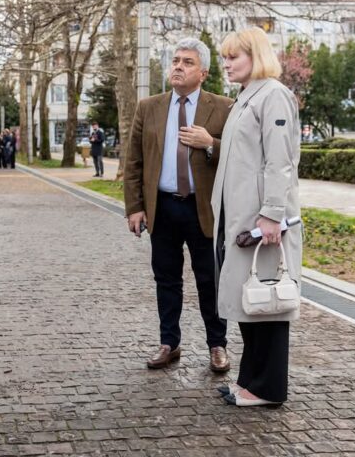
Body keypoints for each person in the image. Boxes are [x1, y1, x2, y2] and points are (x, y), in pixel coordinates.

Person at [123, 38, 233, 373]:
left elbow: (241, 155)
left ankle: (217, 345)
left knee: (210, 280)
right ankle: (169, 343)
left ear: (204, 73)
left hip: (203, 209)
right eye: (175, 60)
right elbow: (134, 161)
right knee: (166, 279)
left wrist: (210, 143)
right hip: (163, 208)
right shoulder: (149, 107)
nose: (178, 67)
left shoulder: (224, 107)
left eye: (187, 62)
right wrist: (135, 207)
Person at [213, 27, 302, 407]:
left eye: (234, 56)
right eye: (225, 57)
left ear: (256, 55)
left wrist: (271, 214)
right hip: (242, 218)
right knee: (251, 300)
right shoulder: (248, 96)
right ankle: (250, 381)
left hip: (261, 220)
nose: (227, 64)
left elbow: (279, 161)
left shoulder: (274, 96)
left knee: (269, 300)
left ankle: (267, 389)